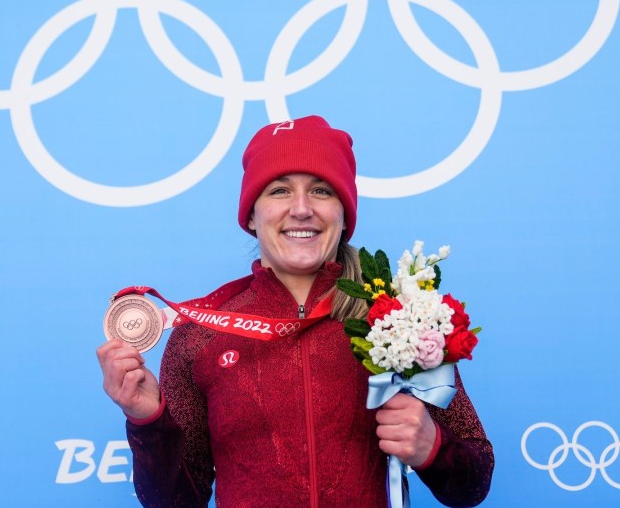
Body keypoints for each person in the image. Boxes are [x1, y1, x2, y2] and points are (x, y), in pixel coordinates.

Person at [97, 116, 493, 507]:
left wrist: (433, 449)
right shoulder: (198, 335)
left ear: (344, 213)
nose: (301, 209)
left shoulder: (398, 321)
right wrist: (149, 422)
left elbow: (473, 484)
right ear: (252, 214)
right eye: (280, 190)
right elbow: (174, 503)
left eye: (321, 190)